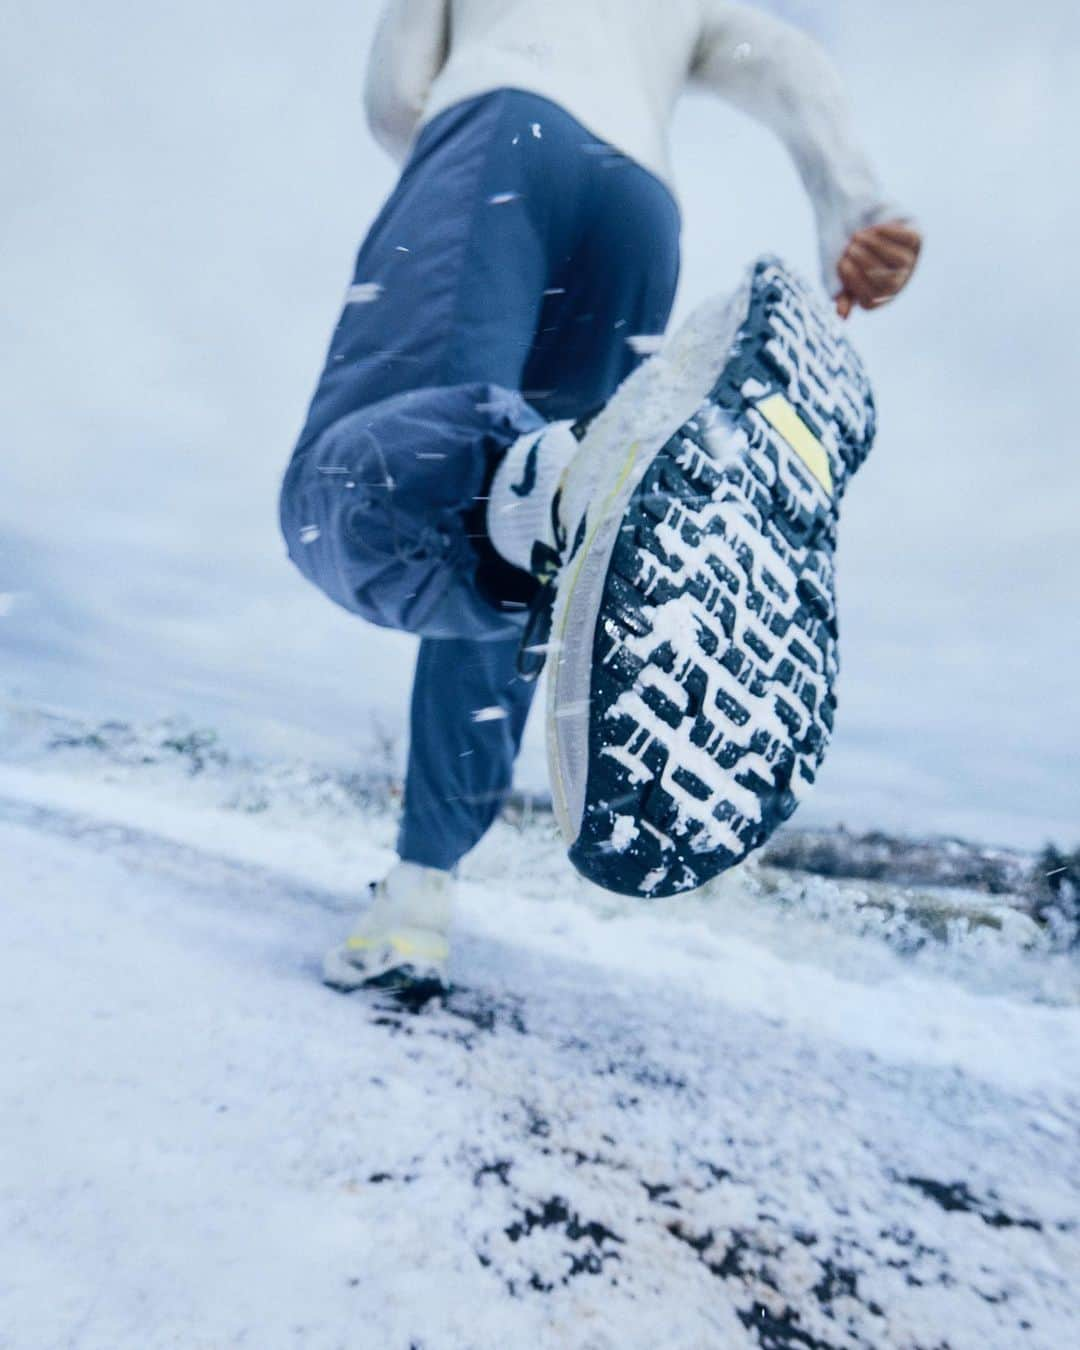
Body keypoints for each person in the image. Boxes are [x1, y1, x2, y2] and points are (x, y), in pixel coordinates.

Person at [279, 0, 922, 993]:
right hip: (639, 209)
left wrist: (451, 138)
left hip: (495, 139)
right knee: (527, 551)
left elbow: (396, 96)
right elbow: (783, 56)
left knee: (347, 492)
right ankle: (421, 885)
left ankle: (415, 907)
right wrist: (855, 201)